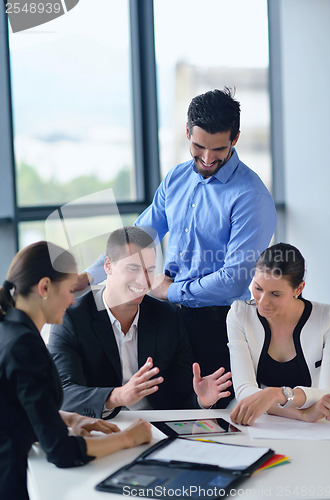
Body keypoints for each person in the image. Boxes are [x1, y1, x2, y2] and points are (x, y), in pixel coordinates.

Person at [76, 88, 276, 408]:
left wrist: (170, 291)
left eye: (219, 149)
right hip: (164, 318)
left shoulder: (251, 198)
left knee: (210, 414)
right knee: (160, 407)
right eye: (198, 147)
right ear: (187, 133)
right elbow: (138, 237)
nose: (208, 159)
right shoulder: (176, 179)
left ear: (235, 138)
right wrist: (89, 276)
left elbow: (235, 279)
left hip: (216, 324)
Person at [0, 241, 152, 500]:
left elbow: (15, 405)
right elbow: (61, 451)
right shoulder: (24, 346)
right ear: (45, 287)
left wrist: (69, 419)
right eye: (70, 290)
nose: (73, 300)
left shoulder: (9, 329)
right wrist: (128, 439)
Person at [48, 227, 232, 419]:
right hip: (100, 424)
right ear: (108, 266)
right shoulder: (72, 318)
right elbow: (63, 393)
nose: (143, 280)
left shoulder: (169, 317)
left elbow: (181, 398)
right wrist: (117, 396)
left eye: (150, 271)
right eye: (133, 268)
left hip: (156, 425)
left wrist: (201, 401)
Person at [227, 242, 330, 426]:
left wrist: (275, 394)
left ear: (298, 289)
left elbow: (327, 394)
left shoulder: (328, 318)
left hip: (317, 426)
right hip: (262, 422)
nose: (262, 301)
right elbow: (244, 390)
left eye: (275, 294)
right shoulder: (239, 314)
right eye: (258, 288)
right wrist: (301, 414)